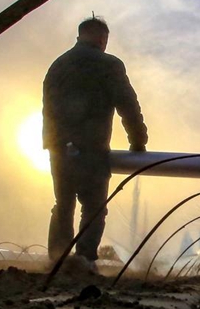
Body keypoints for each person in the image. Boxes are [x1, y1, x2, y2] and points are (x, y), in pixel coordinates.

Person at [42, 16, 148, 268]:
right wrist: (138, 141)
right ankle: (84, 260)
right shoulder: (109, 65)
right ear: (102, 39)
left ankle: (57, 262)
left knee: (63, 204)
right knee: (93, 207)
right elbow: (128, 105)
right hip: (92, 148)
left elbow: (48, 109)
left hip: (58, 148)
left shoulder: (57, 66)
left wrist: (55, 143)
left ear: (80, 36)